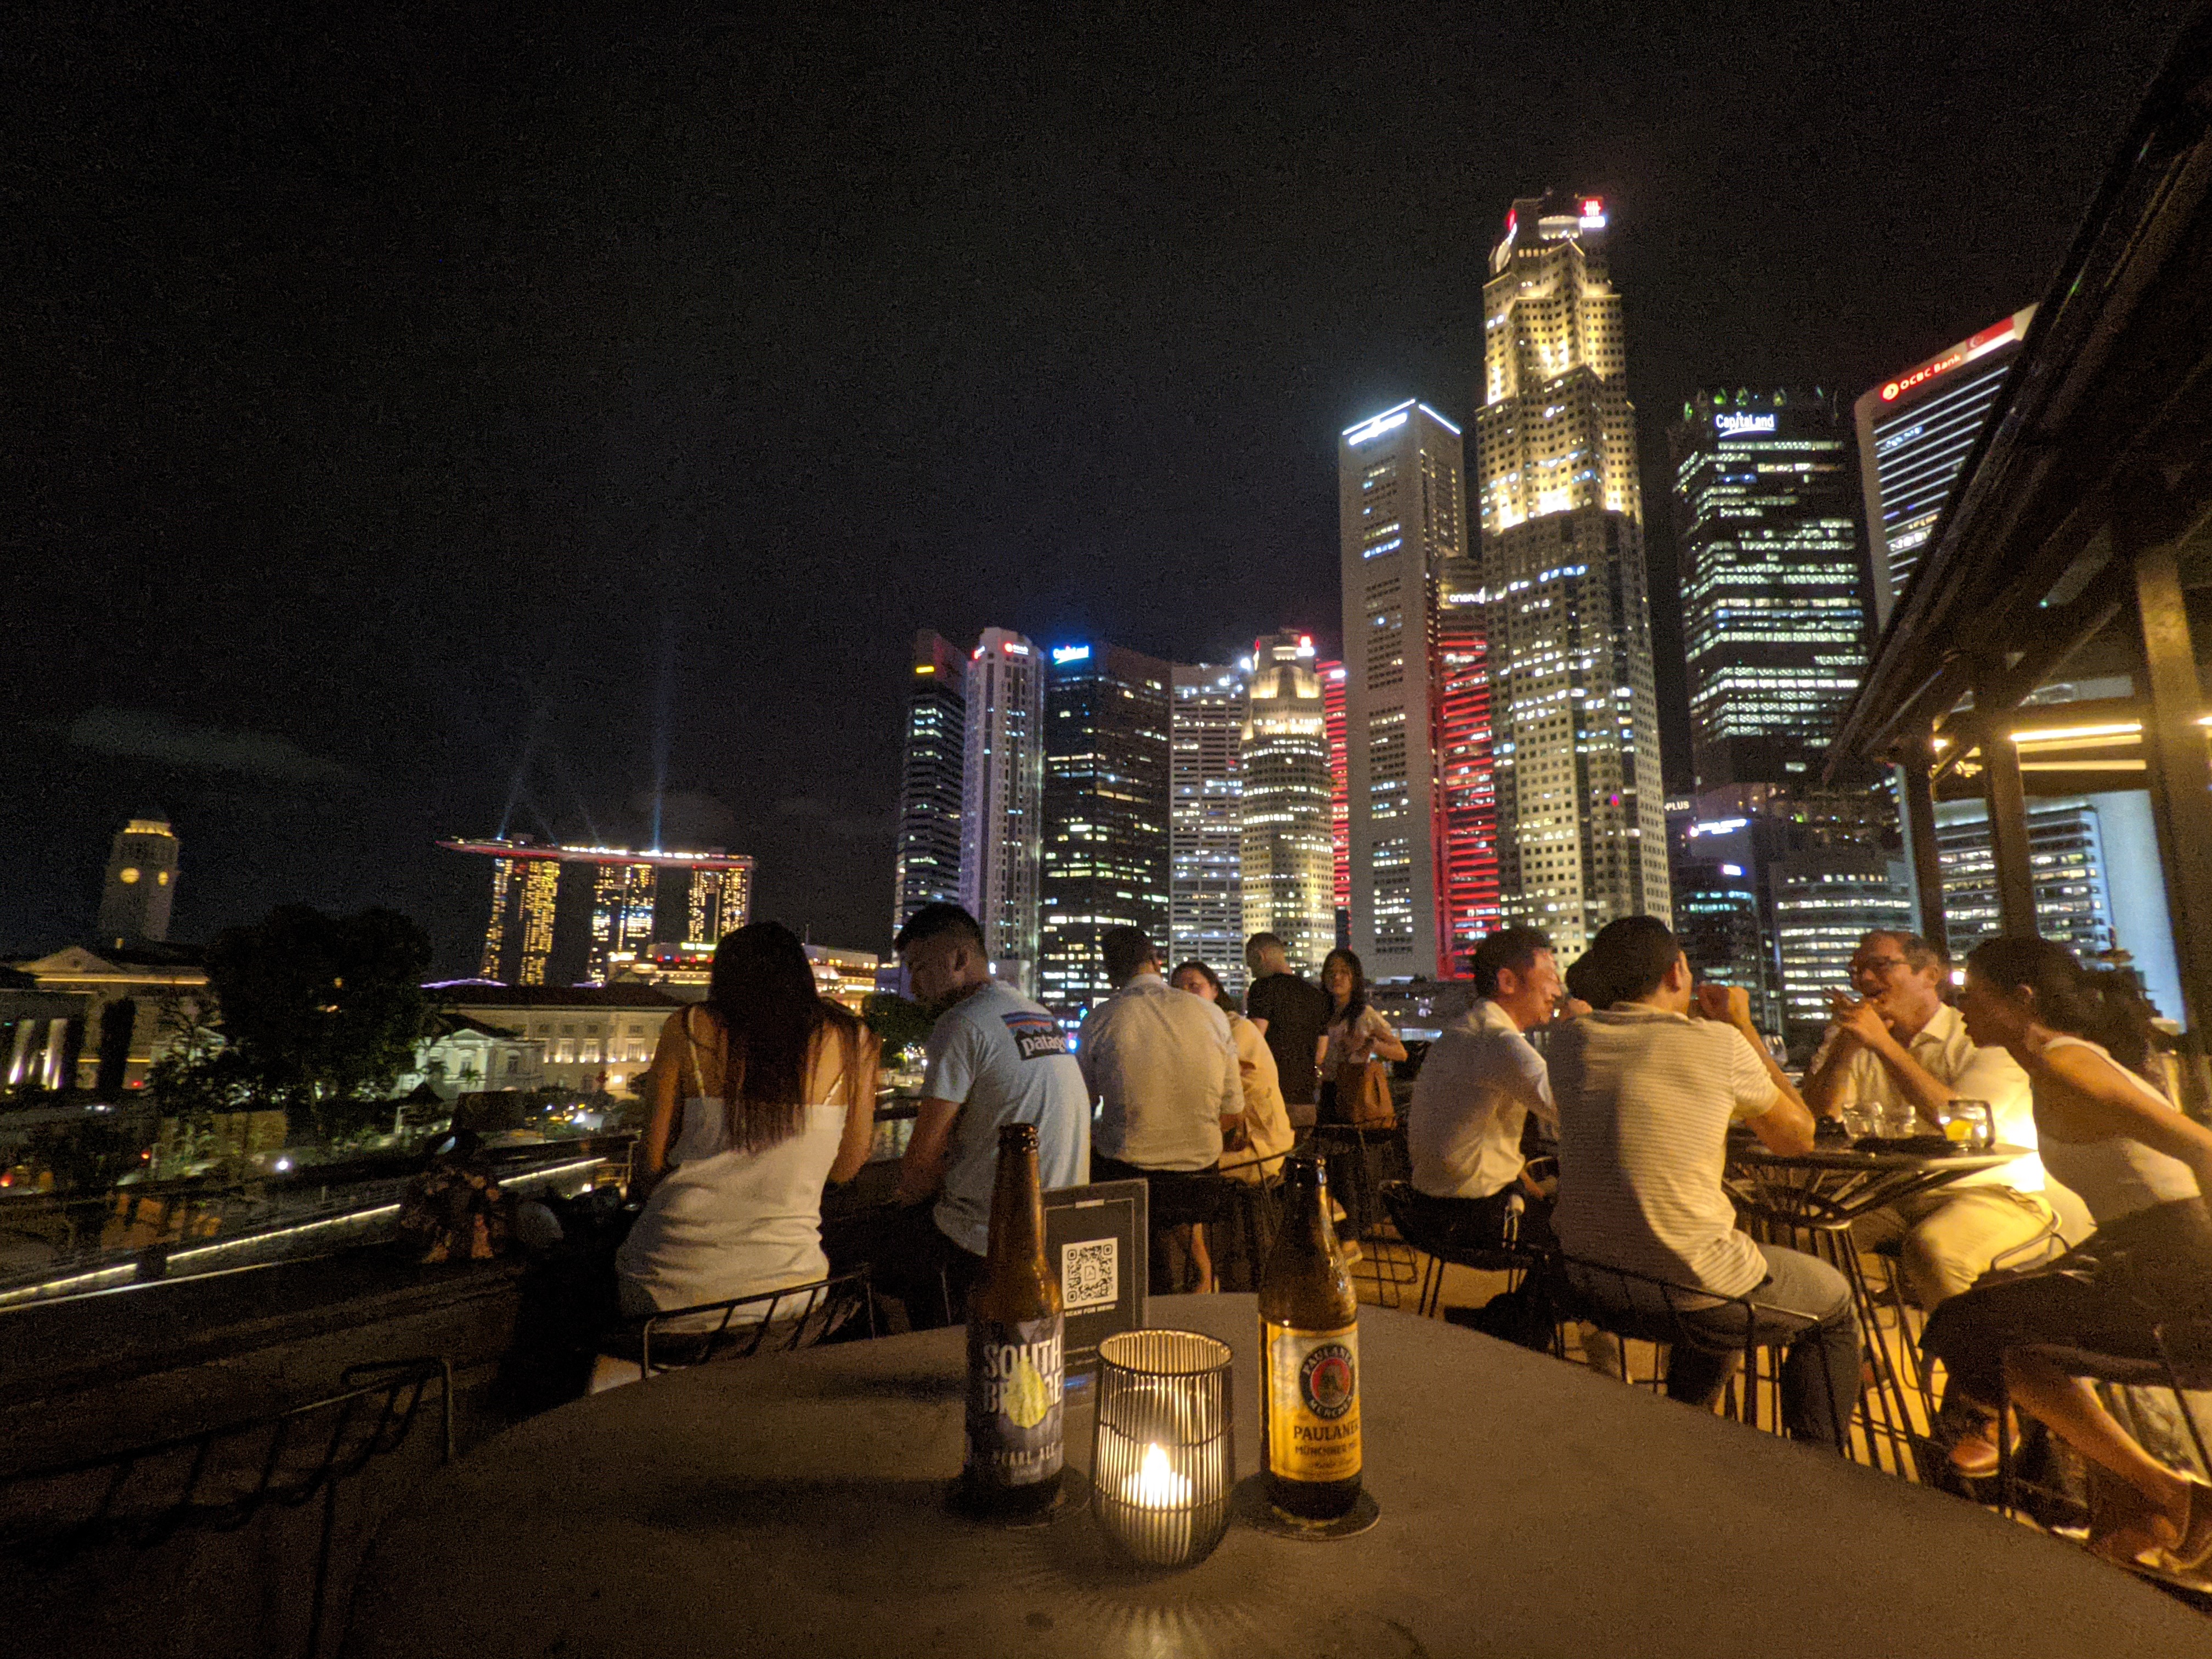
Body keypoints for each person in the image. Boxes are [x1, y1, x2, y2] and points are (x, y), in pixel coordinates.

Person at [1921, 936, 2212, 1568]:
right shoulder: (2054, 1064)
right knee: (1992, 1320)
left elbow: (2202, 1148)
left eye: (1974, 994)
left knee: (1969, 1325)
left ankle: (2150, 1494)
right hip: (2139, 1252)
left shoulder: (2069, 1065)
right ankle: (2152, 1497)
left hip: (2177, 1264)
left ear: (2022, 998)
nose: (1960, 1005)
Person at [1548, 916, 1861, 1450]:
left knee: (1715, 1255)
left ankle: (1685, 1429)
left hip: (1590, 1282)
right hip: (1689, 1294)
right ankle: (1820, 1468)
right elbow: (1799, 1136)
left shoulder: (1570, 1041)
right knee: (1832, 1303)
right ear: (1676, 972)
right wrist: (1741, 1026)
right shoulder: (1720, 1044)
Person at [616, 922, 879, 1331]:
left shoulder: (689, 1027)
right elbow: (846, 1168)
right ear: (802, 976)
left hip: (666, 1292)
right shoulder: (853, 1041)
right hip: (787, 1297)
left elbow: (650, 1165)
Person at [862, 902, 1090, 1327]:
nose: (914, 986)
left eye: (920, 967)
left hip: (986, 1242)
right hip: (1058, 1233)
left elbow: (919, 1166)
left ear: (960, 959)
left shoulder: (961, 1023)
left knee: (871, 1254)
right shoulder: (1038, 1015)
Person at [1800, 930, 2056, 1307]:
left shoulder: (1980, 1034)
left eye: (1880, 966)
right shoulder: (1854, 1037)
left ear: (1930, 976)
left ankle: (1974, 1347)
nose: (1864, 979)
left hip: (1993, 1193)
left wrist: (1883, 1045)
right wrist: (1845, 1048)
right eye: (1856, 970)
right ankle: (1853, 1341)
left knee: (1933, 1251)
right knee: (1806, 1239)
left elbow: (1963, 1127)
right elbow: (1815, 1121)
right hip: (1894, 1195)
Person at [1082, 928, 1242, 1292]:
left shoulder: (1100, 1020)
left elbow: (1084, 1104)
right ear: (1156, 961)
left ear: (1111, 973)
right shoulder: (1212, 1014)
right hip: (1201, 1177)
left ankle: (1126, 1287)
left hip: (1130, 1178)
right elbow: (1233, 1108)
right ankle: (1197, 1277)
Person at [1406, 927, 1577, 1252]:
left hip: (1432, 1205)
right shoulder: (1497, 1040)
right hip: (1473, 1215)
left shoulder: (1467, 1029)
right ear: (1508, 982)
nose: (1558, 991)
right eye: (1550, 977)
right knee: (1592, 1236)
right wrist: (1577, 1029)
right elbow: (1571, 1109)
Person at [1169, 959, 1294, 1183]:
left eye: (1194, 986)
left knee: (1179, 1171)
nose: (1186, 994)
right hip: (1234, 1141)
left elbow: (1211, 1090)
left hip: (1259, 1147)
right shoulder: (1200, 1035)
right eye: (1178, 990)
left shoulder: (1237, 1030)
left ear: (1215, 990)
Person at [1244, 933, 1333, 1128]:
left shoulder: (1263, 988)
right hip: (1306, 1104)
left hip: (1272, 1100)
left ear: (1260, 956)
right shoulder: (1316, 995)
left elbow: (1254, 1039)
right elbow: (1320, 1054)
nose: (1253, 972)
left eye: (1251, 965)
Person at [1317, 946, 1408, 1122]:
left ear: (1355, 977)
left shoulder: (1365, 1015)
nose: (1337, 977)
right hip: (1326, 1092)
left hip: (1355, 1091)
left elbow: (1400, 1053)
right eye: (1331, 972)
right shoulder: (1320, 1015)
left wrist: (1369, 1044)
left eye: (1344, 972)